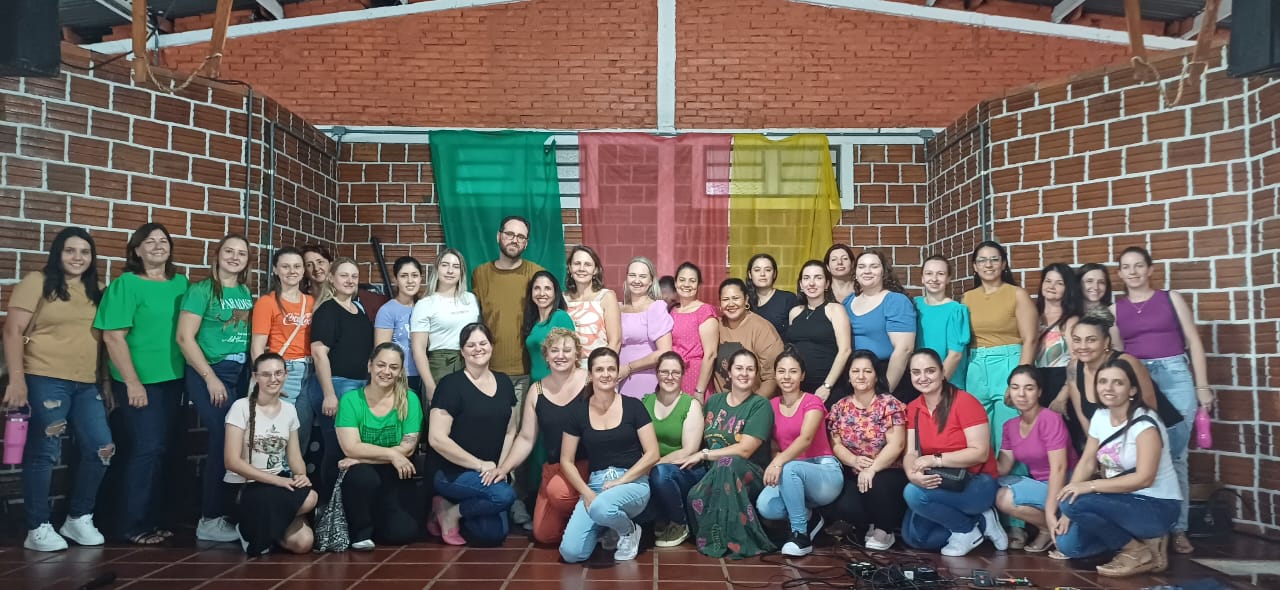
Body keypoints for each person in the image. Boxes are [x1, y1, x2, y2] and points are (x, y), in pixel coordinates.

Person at [3, 228, 112, 552]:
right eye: (70, 250)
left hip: (87, 383)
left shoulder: (98, 290)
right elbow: (12, 331)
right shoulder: (37, 282)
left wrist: (106, 382)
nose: (78, 257)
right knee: (44, 451)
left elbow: (105, 342)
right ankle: (37, 526)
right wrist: (17, 381)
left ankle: (78, 517)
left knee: (102, 447)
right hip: (44, 377)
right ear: (58, 253)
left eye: (85, 252)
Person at [94, 223, 188, 545]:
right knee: (147, 450)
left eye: (164, 241)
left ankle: (156, 518)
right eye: (150, 242)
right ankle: (132, 525)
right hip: (138, 382)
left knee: (164, 451)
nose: (158, 246)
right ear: (136, 250)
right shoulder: (126, 285)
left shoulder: (181, 284)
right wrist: (133, 383)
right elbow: (112, 336)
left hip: (173, 380)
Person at [1112, 247, 1208, 554]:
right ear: (1120, 273)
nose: (1133, 271)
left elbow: (1193, 341)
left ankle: (1178, 529)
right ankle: (1150, 530)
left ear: (1150, 269)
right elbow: (1119, 355)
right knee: (1141, 454)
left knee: (1176, 455)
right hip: (1139, 380)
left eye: (1139, 265)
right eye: (1127, 267)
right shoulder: (1115, 309)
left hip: (1176, 374)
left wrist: (1203, 386)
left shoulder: (1171, 298)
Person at [1053, 358, 1181, 577]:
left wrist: (1088, 488)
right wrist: (1070, 504)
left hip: (1155, 505)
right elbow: (1087, 461)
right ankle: (1137, 543)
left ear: (1132, 390)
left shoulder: (1145, 424)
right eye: (1103, 381)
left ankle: (1136, 550)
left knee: (1073, 504)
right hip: (1119, 501)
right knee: (1070, 546)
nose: (1108, 388)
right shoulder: (1100, 416)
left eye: (1118, 383)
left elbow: (1144, 479)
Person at [175, 233, 253, 543]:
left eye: (241, 253)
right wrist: (209, 377)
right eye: (229, 251)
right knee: (223, 439)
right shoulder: (201, 290)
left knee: (237, 441)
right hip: (210, 371)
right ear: (217, 254)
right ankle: (209, 519)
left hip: (238, 372)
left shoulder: (244, 292)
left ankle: (227, 512)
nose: (234, 257)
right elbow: (184, 338)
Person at [472, 216, 544, 527]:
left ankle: (516, 501)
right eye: (510, 234)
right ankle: (492, 497)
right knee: (489, 437)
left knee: (521, 438)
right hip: (487, 373)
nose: (515, 240)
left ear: (526, 242)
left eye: (521, 237)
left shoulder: (535, 273)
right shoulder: (481, 274)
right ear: (498, 236)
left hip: (525, 372)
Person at [558, 347, 660, 563]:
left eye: (611, 369)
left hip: (632, 482)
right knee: (571, 553)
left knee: (602, 507)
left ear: (617, 372)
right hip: (596, 485)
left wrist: (621, 481)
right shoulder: (577, 412)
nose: (606, 374)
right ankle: (607, 527)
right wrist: (587, 493)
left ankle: (629, 530)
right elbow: (566, 461)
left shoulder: (634, 406)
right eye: (599, 369)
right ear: (590, 374)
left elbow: (652, 454)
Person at [901, 349, 1005, 557]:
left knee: (913, 494)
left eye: (930, 371)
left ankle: (966, 530)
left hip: (976, 482)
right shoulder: (914, 408)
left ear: (942, 372)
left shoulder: (965, 402)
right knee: (915, 538)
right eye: (916, 372)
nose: (923, 377)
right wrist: (912, 474)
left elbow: (980, 453)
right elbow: (911, 452)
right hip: (941, 482)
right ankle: (981, 521)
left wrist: (935, 460)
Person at [490, 328, 589, 545]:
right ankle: (580, 522)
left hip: (588, 467)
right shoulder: (537, 390)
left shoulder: (589, 382)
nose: (560, 355)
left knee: (559, 493)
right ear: (546, 355)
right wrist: (504, 468)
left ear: (577, 354)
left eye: (566, 350)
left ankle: (593, 520)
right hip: (555, 468)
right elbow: (526, 438)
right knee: (544, 535)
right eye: (554, 350)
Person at [429, 324, 519, 547]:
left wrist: (501, 469)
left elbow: (510, 431)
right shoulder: (450, 385)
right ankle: (449, 513)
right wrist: (480, 465)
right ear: (462, 351)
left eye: (483, 343)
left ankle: (452, 509)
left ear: (491, 346)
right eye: (470, 345)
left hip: (489, 474)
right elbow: (437, 439)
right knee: (503, 496)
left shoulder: (504, 382)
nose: (478, 349)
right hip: (453, 472)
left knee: (494, 535)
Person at [682, 348, 776, 559]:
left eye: (750, 369)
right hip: (712, 471)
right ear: (730, 372)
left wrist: (704, 454)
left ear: (756, 374)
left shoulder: (760, 405)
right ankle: (715, 537)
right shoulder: (714, 401)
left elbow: (745, 449)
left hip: (749, 473)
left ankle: (740, 541)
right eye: (739, 368)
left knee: (728, 463)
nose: (744, 373)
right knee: (694, 496)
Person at [223, 352, 317, 556]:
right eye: (266, 374)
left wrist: (301, 475)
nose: (273, 379)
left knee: (304, 543)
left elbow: (294, 457)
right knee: (309, 499)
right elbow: (231, 462)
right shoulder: (241, 407)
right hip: (246, 485)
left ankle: (265, 530)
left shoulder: (289, 410)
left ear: (285, 375)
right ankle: (249, 529)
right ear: (255, 377)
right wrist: (279, 482)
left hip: (277, 483)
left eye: (278, 373)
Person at [336, 343, 424, 550]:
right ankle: (360, 532)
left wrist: (362, 455)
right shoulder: (350, 400)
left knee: (404, 533)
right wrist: (392, 455)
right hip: (363, 472)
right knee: (363, 477)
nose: (386, 371)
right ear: (370, 366)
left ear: (400, 372)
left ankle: (378, 522)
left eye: (393, 367)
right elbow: (350, 448)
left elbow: (408, 447)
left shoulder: (410, 399)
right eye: (381, 365)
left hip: (394, 472)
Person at [756, 349, 841, 557]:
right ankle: (810, 517)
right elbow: (774, 445)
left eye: (793, 371)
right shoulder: (771, 405)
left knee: (790, 468)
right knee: (765, 505)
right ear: (775, 375)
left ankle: (800, 536)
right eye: (781, 371)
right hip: (790, 473)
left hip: (823, 470)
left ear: (802, 375)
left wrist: (778, 463)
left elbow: (805, 439)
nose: (787, 377)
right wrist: (777, 461)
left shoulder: (812, 401)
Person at [824, 350, 908, 551]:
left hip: (888, 470)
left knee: (876, 485)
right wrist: (853, 460)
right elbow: (836, 445)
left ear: (876, 375)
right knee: (843, 505)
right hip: (856, 471)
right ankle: (872, 521)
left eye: (867, 371)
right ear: (849, 376)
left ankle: (884, 530)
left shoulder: (888, 404)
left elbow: (897, 444)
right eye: (855, 371)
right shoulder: (839, 407)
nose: (861, 376)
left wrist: (873, 468)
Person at [962, 241, 1037, 450]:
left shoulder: (1017, 294)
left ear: (1003, 264)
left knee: (1008, 431)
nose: (988, 265)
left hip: (1008, 363)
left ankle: (1012, 472)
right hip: (976, 365)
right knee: (978, 431)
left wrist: (1020, 379)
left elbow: (1030, 339)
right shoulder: (967, 298)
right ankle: (984, 471)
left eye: (994, 259)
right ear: (974, 266)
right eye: (982, 260)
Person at [995, 366, 1077, 553]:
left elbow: (1059, 469)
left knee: (1004, 497)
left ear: (1039, 392)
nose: (1021, 394)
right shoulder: (1010, 426)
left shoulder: (1050, 419)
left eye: (1029, 388)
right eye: (1015, 387)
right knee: (991, 484)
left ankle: (1052, 524)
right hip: (1040, 485)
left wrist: (1050, 510)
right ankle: (1048, 527)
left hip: (1065, 485)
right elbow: (1003, 467)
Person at [310, 258, 373, 496]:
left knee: (354, 449)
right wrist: (329, 394)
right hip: (336, 385)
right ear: (331, 279)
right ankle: (329, 503)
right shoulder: (328, 309)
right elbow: (319, 353)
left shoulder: (358, 309)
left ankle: (347, 502)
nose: (350, 280)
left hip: (359, 387)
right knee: (338, 448)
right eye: (344, 275)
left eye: (354, 276)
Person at [250, 248, 316, 456]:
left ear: (303, 271)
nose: (292, 271)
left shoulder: (311, 301)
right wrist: (266, 378)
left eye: (297, 266)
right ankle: (277, 472)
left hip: (310, 370)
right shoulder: (267, 302)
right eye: (285, 266)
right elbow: (257, 346)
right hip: (285, 370)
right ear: (275, 270)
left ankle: (293, 472)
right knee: (278, 429)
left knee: (301, 429)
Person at [642, 352, 705, 547]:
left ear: (683, 374)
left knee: (661, 474)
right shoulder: (645, 402)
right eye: (664, 372)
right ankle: (660, 517)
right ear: (657, 373)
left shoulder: (691, 405)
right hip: (651, 468)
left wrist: (652, 465)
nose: (669, 377)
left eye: (675, 372)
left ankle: (680, 523)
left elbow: (689, 450)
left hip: (684, 469)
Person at [844, 250, 916, 402]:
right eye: (862, 267)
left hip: (887, 376)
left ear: (883, 272)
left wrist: (883, 395)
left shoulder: (896, 301)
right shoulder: (848, 301)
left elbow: (904, 349)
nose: (867, 271)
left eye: (874, 266)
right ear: (855, 273)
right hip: (856, 376)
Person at [409, 248, 479, 403]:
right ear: (437, 269)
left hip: (471, 365)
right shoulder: (425, 304)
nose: (450, 271)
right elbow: (418, 349)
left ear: (461, 272)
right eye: (445, 265)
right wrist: (429, 386)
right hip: (440, 368)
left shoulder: (471, 300)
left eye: (456, 266)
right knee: (441, 415)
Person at [786, 260, 852, 407]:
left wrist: (827, 386)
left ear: (827, 284)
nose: (811, 283)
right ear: (801, 284)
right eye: (806, 278)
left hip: (828, 388)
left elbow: (845, 350)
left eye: (818, 277)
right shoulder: (794, 312)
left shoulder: (835, 309)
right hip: (799, 388)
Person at [1036, 263, 1085, 449]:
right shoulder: (1033, 315)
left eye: (1059, 283)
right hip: (1037, 381)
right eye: (1048, 281)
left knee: (1063, 440)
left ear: (1067, 288)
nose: (1052, 286)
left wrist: (1063, 396)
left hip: (1061, 381)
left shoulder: (1070, 320)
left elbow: (1077, 360)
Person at [714, 278, 783, 398]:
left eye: (736, 298)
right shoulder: (715, 326)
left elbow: (772, 378)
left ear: (746, 299)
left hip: (755, 401)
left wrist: (751, 405)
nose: (731, 304)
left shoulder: (762, 328)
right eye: (725, 299)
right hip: (723, 403)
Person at [618, 257, 674, 397]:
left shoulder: (656, 308)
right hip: (616, 379)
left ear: (651, 281)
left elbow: (664, 352)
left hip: (644, 378)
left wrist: (629, 368)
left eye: (642, 276)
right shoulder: (617, 308)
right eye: (632, 275)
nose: (637, 280)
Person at [914, 255, 970, 389]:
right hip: (919, 381)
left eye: (940, 274)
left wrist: (937, 386)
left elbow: (955, 355)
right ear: (922, 278)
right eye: (929, 273)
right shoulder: (915, 305)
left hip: (946, 383)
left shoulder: (956, 310)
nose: (934, 279)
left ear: (949, 278)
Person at [375, 257, 425, 394]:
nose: (410, 281)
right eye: (404, 276)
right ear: (396, 279)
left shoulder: (424, 308)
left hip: (423, 375)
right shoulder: (387, 310)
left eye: (414, 275)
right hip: (398, 376)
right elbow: (381, 352)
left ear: (421, 278)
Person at [669, 262, 718, 399]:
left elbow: (711, 354)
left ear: (698, 285)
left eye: (692, 280)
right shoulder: (673, 311)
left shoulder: (705, 311)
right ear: (676, 283)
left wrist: (700, 390)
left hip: (696, 375)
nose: (686, 284)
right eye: (682, 280)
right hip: (674, 375)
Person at [564, 245, 621, 360]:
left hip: (598, 365)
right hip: (567, 366)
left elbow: (615, 341)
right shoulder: (562, 299)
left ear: (595, 270)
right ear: (569, 268)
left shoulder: (606, 297)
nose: (581, 268)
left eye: (587, 264)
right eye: (577, 263)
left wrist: (602, 365)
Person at [523, 270, 576, 383]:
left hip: (556, 385)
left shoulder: (560, 317)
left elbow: (571, 355)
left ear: (555, 292)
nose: (542, 293)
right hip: (535, 384)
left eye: (547, 288)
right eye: (537, 288)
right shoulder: (533, 321)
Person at [745, 253, 799, 337]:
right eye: (757, 270)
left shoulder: (788, 299)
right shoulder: (744, 300)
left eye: (768, 270)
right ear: (750, 274)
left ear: (774, 274)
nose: (762, 274)